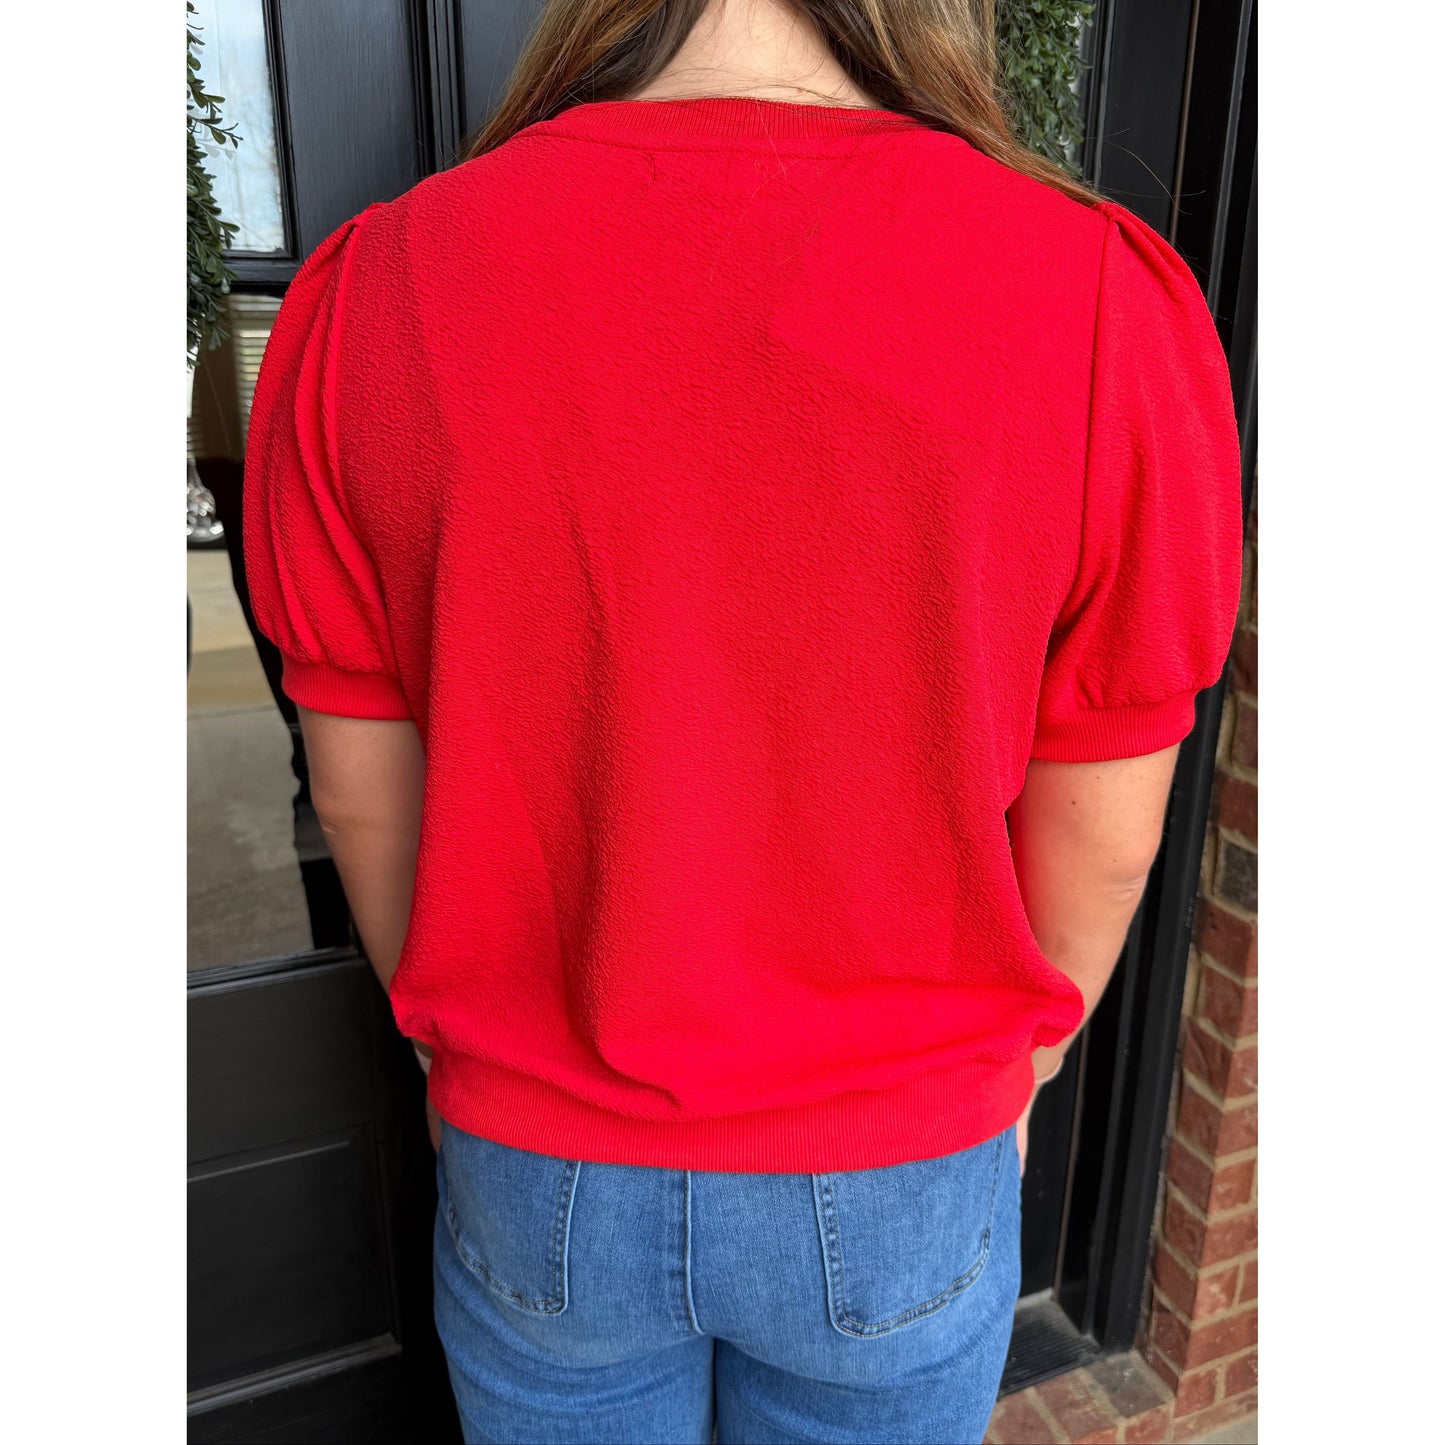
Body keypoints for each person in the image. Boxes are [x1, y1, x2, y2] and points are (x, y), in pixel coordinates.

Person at [240, 0, 1243, 1439]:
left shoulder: (377, 294)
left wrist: (463, 1054)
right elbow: (1106, 827)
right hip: (900, 1153)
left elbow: (357, 797)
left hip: (541, 1159)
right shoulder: (1096, 297)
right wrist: (1001, 1078)